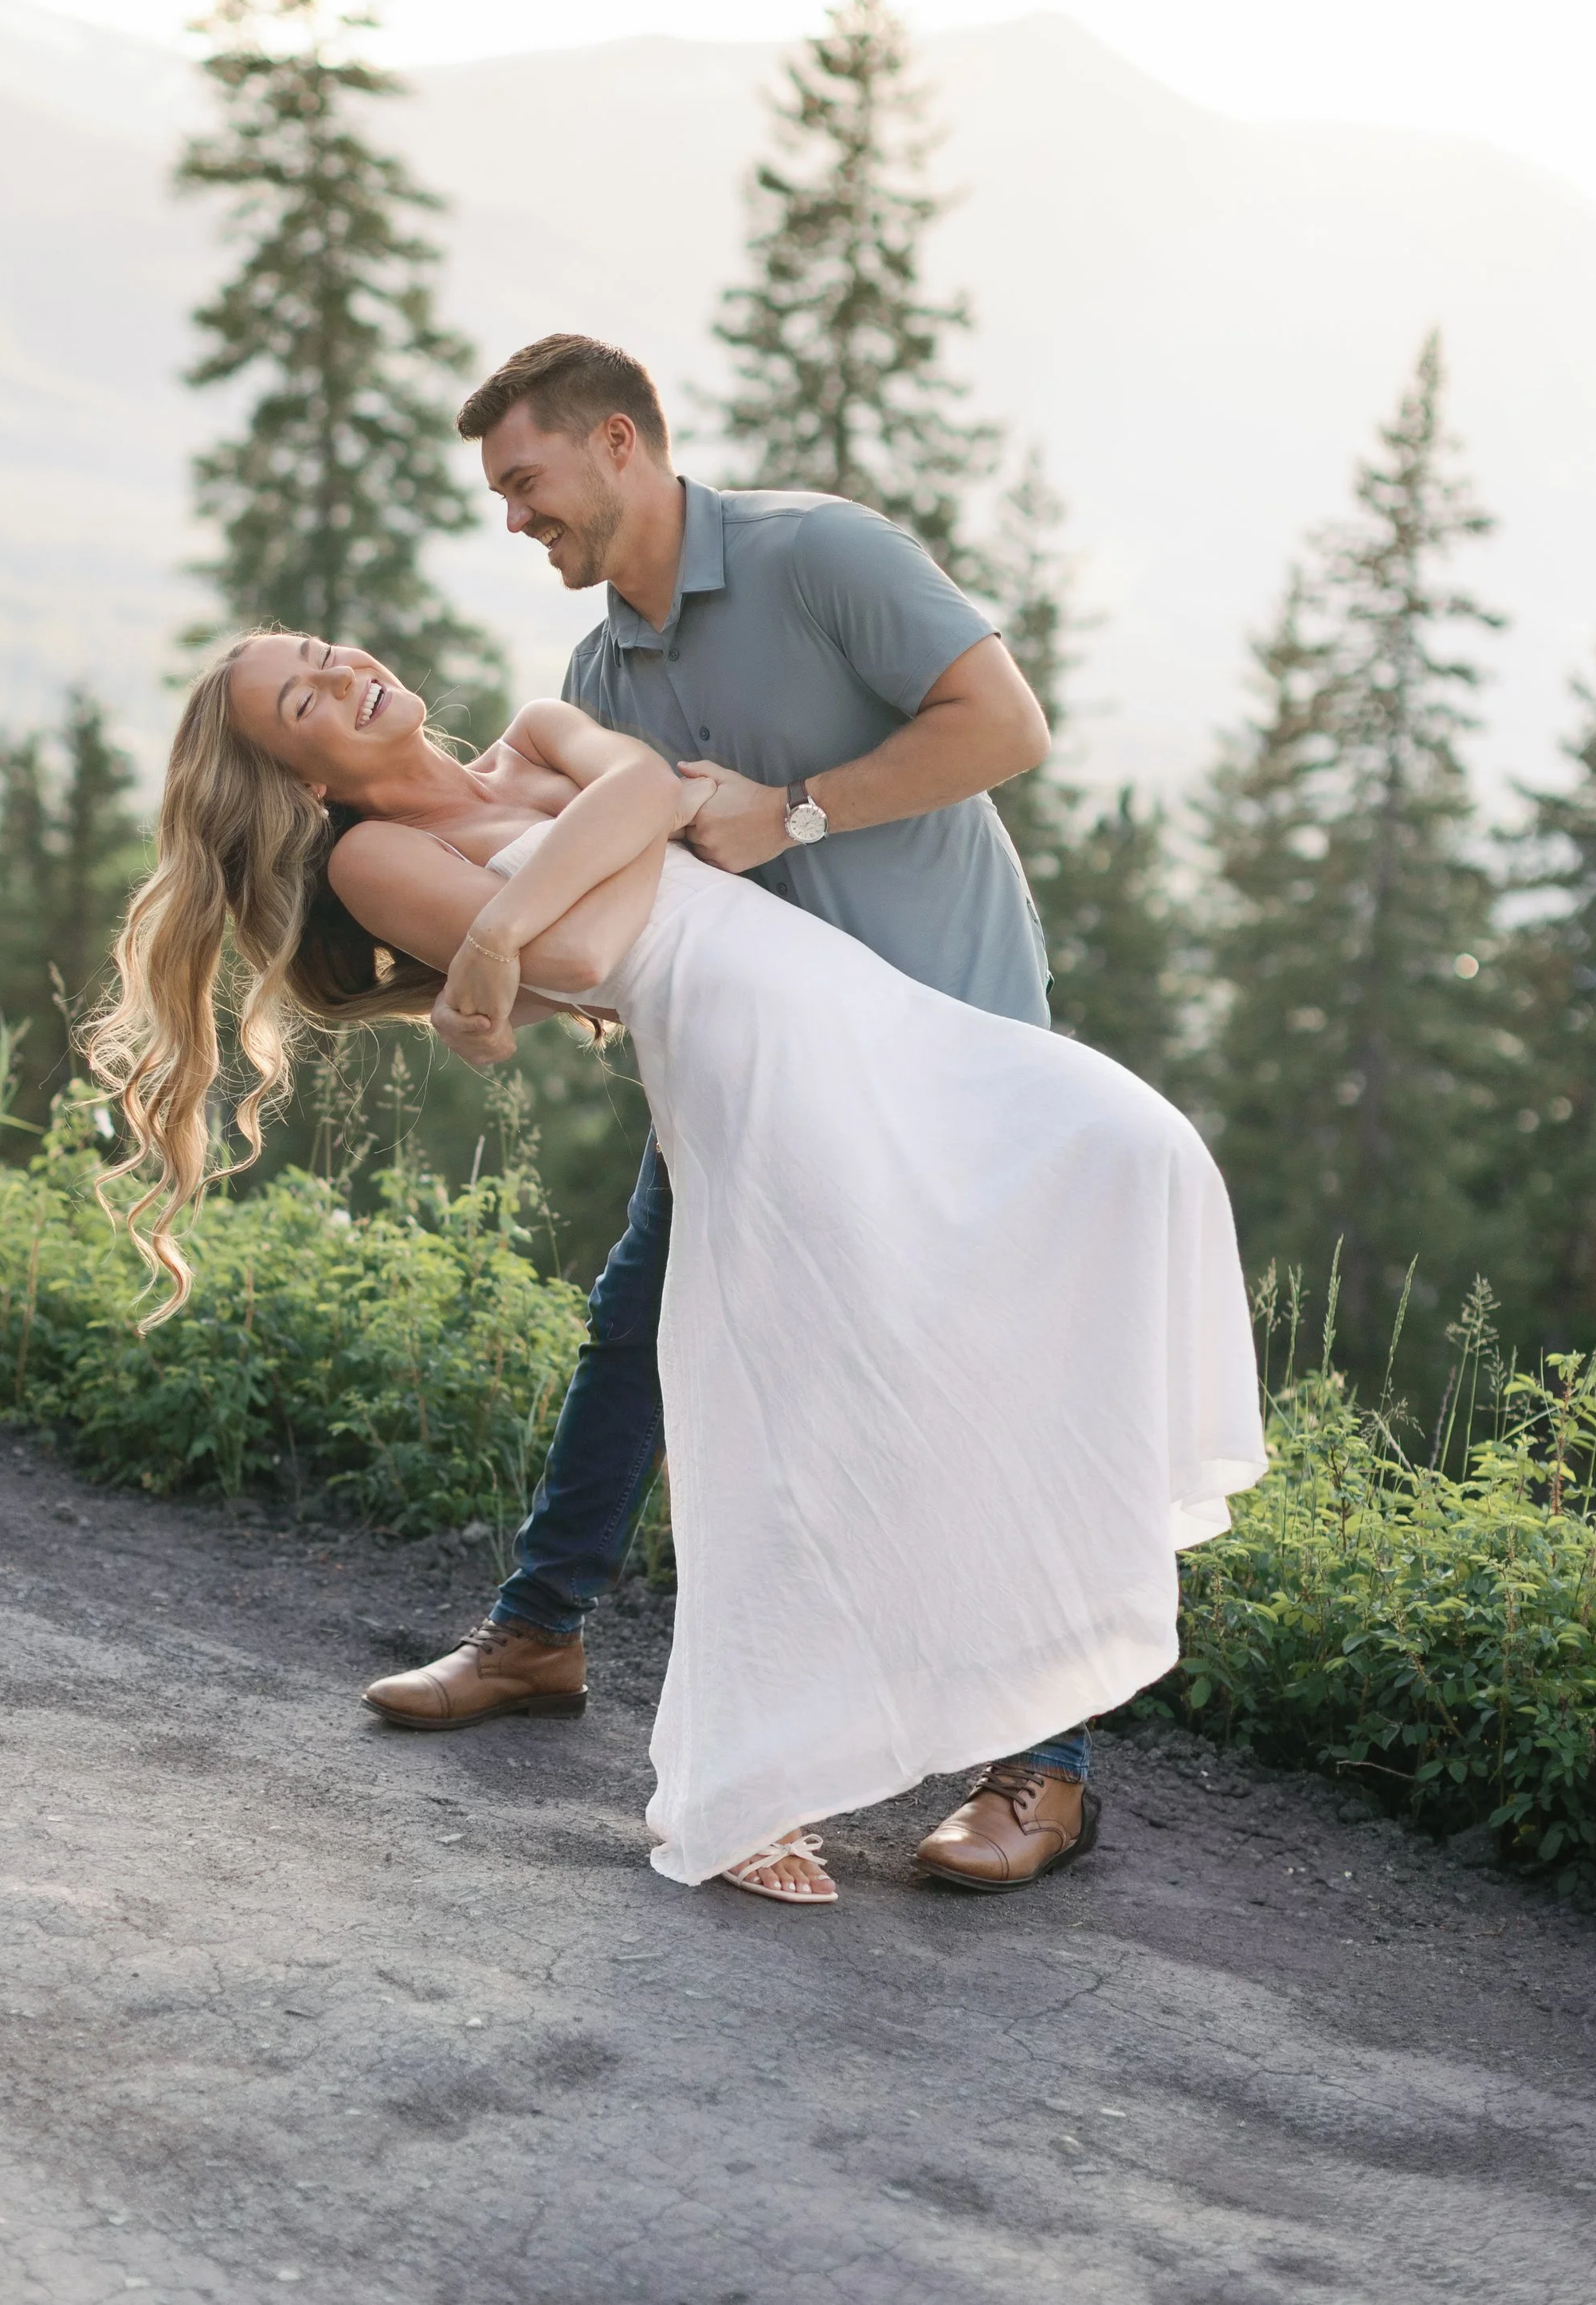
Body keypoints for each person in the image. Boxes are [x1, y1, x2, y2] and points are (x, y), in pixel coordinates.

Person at [91, 338, 1267, 1904]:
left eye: (524, 480)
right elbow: (611, 905)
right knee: (757, 1390)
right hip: (750, 1064)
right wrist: (541, 915)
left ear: (617, 445)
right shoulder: (498, 756)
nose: (512, 517)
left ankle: (1018, 1736)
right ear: (297, 776)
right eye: (307, 692)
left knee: (1127, 1165)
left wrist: (514, 925)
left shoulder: (774, 578)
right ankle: (725, 1743)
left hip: (916, 1006)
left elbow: (690, 806)